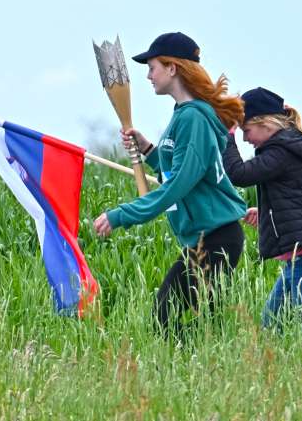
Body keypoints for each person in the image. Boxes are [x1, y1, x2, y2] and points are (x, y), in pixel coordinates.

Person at [93, 32, 247, 336]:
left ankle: (205, 369)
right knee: (180, 319)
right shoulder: (183, 116)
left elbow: (177, 186)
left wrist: (121, 215)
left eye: (152, 67)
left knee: (169, 318)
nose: (149, 76)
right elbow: (179, 171)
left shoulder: (193, 119)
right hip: (203, 239)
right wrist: (149, 149)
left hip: (216, 240)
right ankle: (203, 367)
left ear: (172, 68)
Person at [221, 87, 302, 327]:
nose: (245, 138)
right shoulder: (284, 149)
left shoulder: (281, 151)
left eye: (246, 130)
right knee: (271, 324)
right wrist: (265, 212)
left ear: (265, 123)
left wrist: (228, 135)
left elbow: (239, 174)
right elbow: (293, 196)